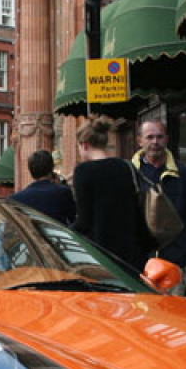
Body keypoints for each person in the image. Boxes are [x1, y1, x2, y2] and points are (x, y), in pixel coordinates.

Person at [130, 120, 186, 287]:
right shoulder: (130, 173)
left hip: (175, 258)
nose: (155, 142)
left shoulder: (183, 173)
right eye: (149, 137)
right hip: (138, 261)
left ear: (166, 139)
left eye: (159, 137)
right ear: (139, 141)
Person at [73, 115, 150, 272]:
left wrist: (62, 233)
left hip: (103, 258)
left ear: (85, 145)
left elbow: (84, 222)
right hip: (132, 256)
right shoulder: (125, 166)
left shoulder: (83, 171)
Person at [10, 149, 76, 224]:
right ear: (52, 168)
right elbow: (73, 220)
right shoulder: (63, 192)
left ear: (31, 171)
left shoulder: (15, 199)